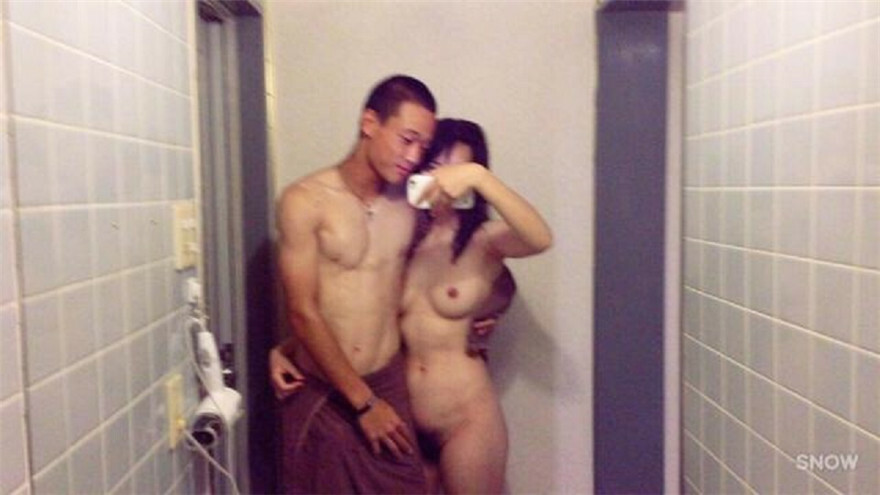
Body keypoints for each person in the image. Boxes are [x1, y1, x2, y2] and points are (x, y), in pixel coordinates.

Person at [274, 118, 552, 494]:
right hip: (400, 415)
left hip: (465, 419)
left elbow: (539, 238)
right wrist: (288, 349)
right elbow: (362, 309)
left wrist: (479, 177)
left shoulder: (484, 241)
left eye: (458, 170)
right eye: (436, 166)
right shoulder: (403, 235)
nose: (445, 180)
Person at [275, 74, 436, 494]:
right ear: (370, 123)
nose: (414, 156)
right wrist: (364, 404)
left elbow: (465, 252)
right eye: (407, 139)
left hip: (387, 384)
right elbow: (303, 309)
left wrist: (488, 311)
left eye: (423, 147)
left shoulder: (411, 205)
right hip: (326, 391)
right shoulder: (304, 201)